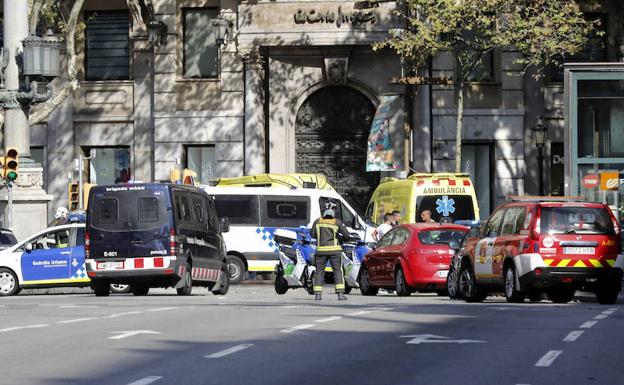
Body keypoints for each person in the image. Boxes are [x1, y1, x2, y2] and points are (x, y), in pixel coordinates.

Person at [310, 200, 350, 301]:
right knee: (337, 271)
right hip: (335, 251)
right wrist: (339, 238)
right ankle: (340, 294)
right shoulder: (337, 222)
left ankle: (318, 295)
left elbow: (312, 234)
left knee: (319, 272)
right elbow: (347, 235)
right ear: (334, 210)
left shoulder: (318, 221)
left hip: (320, 251)